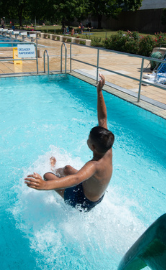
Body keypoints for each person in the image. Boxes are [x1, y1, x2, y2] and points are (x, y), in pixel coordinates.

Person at [25, 74, 114, 212]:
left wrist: (44, 185)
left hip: (83, 202)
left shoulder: (93, 165)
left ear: (93, 147)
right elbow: (103, 119)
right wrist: (99, 92)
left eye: (89, 139)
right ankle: (56, 170)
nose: (87, 140)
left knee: (48, 176)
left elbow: (76, 179)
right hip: (94, 192)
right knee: (66, 169)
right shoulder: (107, 148)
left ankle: (51, 174)